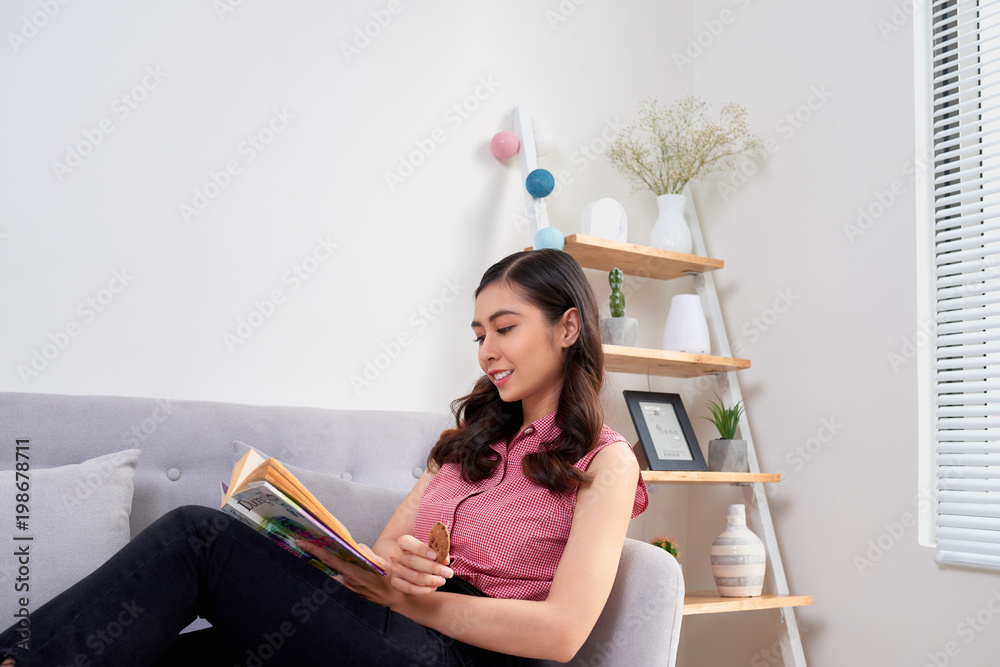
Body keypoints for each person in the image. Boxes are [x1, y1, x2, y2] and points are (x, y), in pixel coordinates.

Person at [0, 248, 647, 666]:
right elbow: (386, 551)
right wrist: (400, 564)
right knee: (173, 654)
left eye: (504, 328)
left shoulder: (606, 463)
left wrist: (409, 599)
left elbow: (562, 633)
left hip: (461, 656)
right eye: (479, 335)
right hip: (390, 630)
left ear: (567, 327)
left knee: (200, 537)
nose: (486, 351)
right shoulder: (465, 441)